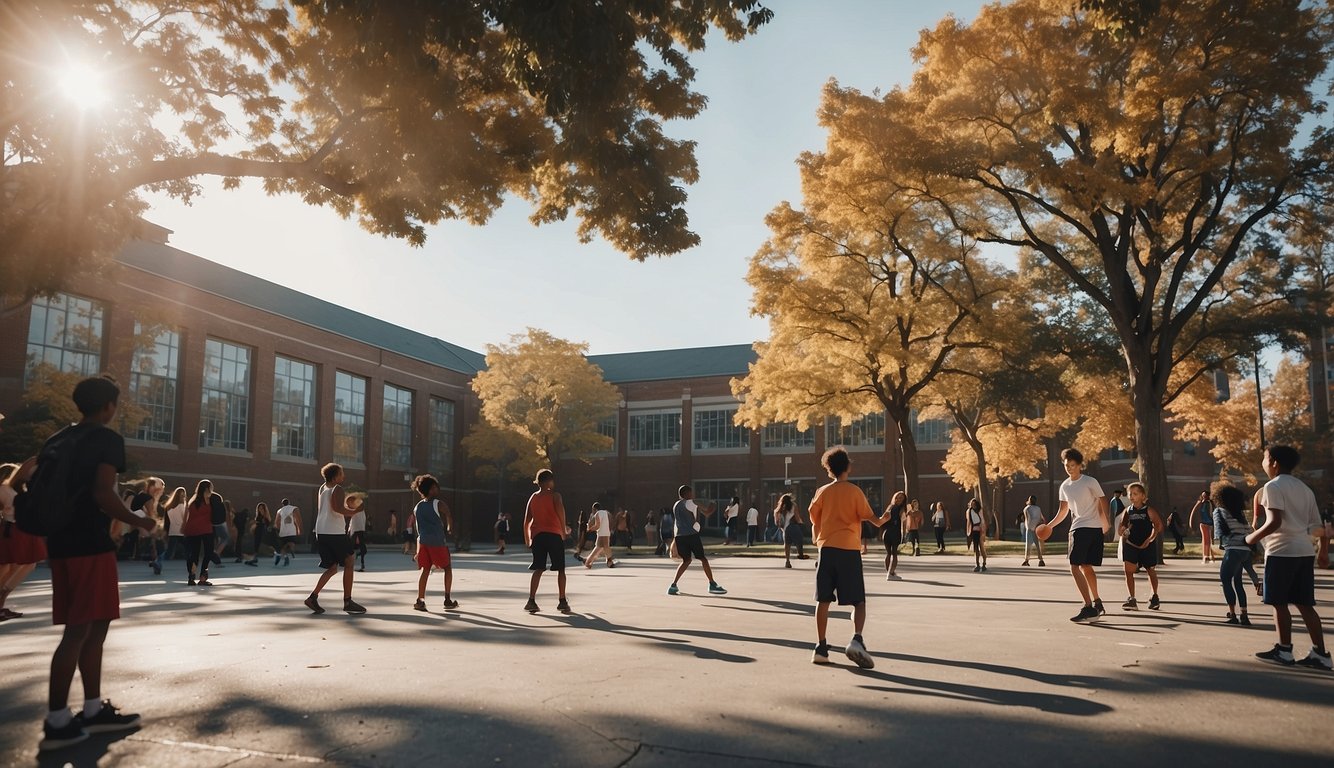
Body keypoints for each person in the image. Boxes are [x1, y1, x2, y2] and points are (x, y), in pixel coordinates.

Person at [22, 376, 157, 750]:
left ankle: (93, 710)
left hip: (61, 544)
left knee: (94, 626)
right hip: (89, 544)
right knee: (79, 631)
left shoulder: (58, 438)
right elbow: (102, 492)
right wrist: (141, 521)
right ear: (109, 406)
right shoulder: (104, 438)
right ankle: (57, 720)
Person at [1247, 445, 1330, 669]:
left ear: (1273, 462)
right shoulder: (1305, 489)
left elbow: (1274, 521)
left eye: (1264, 459)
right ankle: (1321, 654)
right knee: (1305, 604)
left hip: (1281, 551)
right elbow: (1317, 527)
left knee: (1279, 602)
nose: (1263, 463)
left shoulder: (1272, 487)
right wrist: (1322, 550)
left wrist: (1251, 538)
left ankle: (1284, 650)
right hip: (1304, 551)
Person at [809, 446, 893, 668]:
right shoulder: (855, 492)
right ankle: (857, 639)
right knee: (858, 600)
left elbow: (814, 519)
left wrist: (818, 541)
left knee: (823, 600)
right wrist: (885, 517)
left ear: (829, 469)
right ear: (847, 467)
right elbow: (874, 520)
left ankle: (821, 646)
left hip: (826, 550)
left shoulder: (823, 492)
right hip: (848, 550)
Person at [1047, 447, 1111, 623]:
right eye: (1067, 465)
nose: (1069, 468)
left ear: (1080, 465)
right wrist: (1049, 526)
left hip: (1091, 529)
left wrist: (1107, 522)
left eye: (1073, 465)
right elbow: (1063, 511)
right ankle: (1097, 603)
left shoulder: (1090, 481)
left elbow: (1103, 500)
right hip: (1078, 527)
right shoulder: (1065, 486)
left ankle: (1088, 607)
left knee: (1075, 567)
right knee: (1085, 567)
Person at [304, 463, 365, 615]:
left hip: (321, 531)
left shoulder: (322, 488)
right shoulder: (337, 489)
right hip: (334, 532)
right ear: (335, 476)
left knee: (332, 568)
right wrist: (355, 511)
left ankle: (313, 597)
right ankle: (348, 601)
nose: (343, 476)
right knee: (350, 559)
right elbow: (337, 508)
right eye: (341, 473)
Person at [0, 462, 48, 621]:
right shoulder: (5, 489)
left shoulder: (19, 489)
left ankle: (3, 598)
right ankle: (2, 597)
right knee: (12, 567)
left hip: (20, 527)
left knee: (17, 567)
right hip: (13, 528)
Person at [522, 469, 571, 614]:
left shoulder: (533, 497)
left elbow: (526, 521)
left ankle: (531, 600)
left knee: (539, 568)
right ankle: (562, 601)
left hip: (538, 536)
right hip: (554, 535)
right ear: (549, 481)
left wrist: (527, 540)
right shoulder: (555, 496)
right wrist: (563, 532)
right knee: (560, 568)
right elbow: (561, 514)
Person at [667, 485, 726, 596]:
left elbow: (676, 523)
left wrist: (674, 541)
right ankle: (712, 584)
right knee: (703, 559)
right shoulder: (691, 502)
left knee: (686, 561)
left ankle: (673, 586)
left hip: (680, 536)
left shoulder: (676, 505)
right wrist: (714, 504)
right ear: (688, 493)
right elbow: (708, 512)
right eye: (691, 492)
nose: (692, 494)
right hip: (691, 535)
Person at [411, 474, 457, 611]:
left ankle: (420, 600)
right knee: (447, 568)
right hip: (436, 541)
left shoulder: (417, 507)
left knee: (425, 570)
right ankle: (447, 599)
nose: (437, 489)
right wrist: (449, 527)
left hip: (423, 541)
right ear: (431, 489)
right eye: (435, 487)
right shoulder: (438, 503)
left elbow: (418, 527)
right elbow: (448, 514)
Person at [1212, 482, 1254, 626]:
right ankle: (1244, 615)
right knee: (1238, 583)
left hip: (1233, 550)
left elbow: (1219, 533)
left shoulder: (1219, 511)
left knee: (1225, 580)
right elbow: (1249, 531)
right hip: (1245, 551)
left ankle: (1233, 614)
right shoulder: (1240, 513)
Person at [1118, 482, 1163, 611]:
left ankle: (1154, 596)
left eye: (1135, 494)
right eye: (1130, 494)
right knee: (1128, 571)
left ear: (1143, 496)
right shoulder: (1127, 511)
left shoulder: (1148, 510)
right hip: (1131, 545)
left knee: (1150, 570)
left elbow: (1158, 526)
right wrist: (1122, 530)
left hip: (1146, 545)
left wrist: (1150, 539)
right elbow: (1121, 528)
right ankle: (1132, 598)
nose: (1132, 496)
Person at [182, 480, 216, 586]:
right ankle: (203, 578)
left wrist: (183, 528)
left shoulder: (192, 501)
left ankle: (191, 577)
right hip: (206, 529)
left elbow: (185, 516)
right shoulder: (209, 500)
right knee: (208, 553)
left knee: (194, 554)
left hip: (191, 529)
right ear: (207, 489)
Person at [778, 493, 808, 568]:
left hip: (785, 529)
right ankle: (800, 554)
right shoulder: (793, 505)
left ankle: (787, 561)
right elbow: (797, 518)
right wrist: (802, 523)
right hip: (792, 526)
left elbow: (778, 520)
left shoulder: (780, 507)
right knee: (799, 540)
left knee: (787, 545)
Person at [584, 502, 617, 569]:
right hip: (607, 533)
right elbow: (610, 521)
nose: (592, 511)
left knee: (599, 548)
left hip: (601, 534)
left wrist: (590, 529)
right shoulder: (605, 513)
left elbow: (597, 526)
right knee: (603, 548)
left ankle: (588, 562)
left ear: (595, 509)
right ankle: (609, 562)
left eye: (592, 509)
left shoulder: (597, 514)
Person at [160, 486, 188, 564]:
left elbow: (167, 521)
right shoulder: (181, 506)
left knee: (170, 550)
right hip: (181, 531)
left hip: (172, 531)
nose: (184, 497)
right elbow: (186, 519)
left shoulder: (169, 507)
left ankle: (159, 560)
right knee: (188, 547)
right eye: (182, 496)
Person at [882, 492, 905, 580]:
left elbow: (884, 518)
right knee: (893, 553)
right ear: (895, 498)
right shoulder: (901, 509)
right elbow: (903, 521)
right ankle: (890, 573)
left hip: (889, 532)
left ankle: (890, 573)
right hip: (892, 532)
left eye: (901, 498)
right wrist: (903, 533)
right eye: (898, 497)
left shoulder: (890, 507)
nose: (899, 499)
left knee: (890, 553)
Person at [1189, 490, 1216, 563]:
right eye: (1202, 496)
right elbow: (1194, 513)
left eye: (1205, 496)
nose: (1203, 497)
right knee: (1205, 539)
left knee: (1208, 540)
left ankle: (1208, 556)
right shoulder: (1200, 504)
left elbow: (1213, 512)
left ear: (1208, 496)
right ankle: (1206, 556)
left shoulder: (1210, 504)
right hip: (1203, 523)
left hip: (1209, 523)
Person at [274, 499, 301, 566]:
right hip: (292, 531)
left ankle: (284, 556)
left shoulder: (279, 511)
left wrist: (277, 530)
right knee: (291, 544)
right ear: (289, 503)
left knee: (282, 547)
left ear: (282, 504)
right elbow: (297, 519)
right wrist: (298, 529)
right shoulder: (294, 508)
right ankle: (287, 551)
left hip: (283, 532)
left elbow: (277, 522)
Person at [1021, 495, 1046, 567]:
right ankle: (1041, 560)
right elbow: (1042, 518)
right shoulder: (1038, 508)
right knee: (1038, 545)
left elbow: (1027, 519)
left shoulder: (1026, 508)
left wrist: (1027, 527)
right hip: (1037, 528)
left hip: (1030, 528)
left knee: (1028, 545)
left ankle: (1026, 560)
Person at [244, 502, 270, 566]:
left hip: (261, 530)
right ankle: (254, 558)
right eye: (259, 508)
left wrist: (257, 522)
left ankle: (277, 552)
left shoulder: (265, 515)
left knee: (262, 543)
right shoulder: (258, 515)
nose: (260, 509)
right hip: (257, 531)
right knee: (256, 544)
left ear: (264, 509)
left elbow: (266, 523)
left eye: (261, 508)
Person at [965, 498, 987, 573]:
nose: (973, 506)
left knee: (982, 548)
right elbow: (968, 522)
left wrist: (983, 531)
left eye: (974, 504)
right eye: (972, 504)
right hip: (973, 531)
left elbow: (982, 520)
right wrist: (968, 532)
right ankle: (977, 564)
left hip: (980, 531)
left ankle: (984, 563)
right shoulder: (969, 512)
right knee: (976, 548)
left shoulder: (980, 511)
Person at [209, 488, 229, 566]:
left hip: (211, 524)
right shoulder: (221, 505)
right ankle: (217, 553)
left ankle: (215, 552)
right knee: (225, 538)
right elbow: (224, 515)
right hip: (219, 524)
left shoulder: (209, 505)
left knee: (214, 540)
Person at [348, 495, 368, 572]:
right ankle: (360, 563)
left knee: (353, 547)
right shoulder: (360, 510)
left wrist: (350, 530)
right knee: (360, 546)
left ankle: (357, 563)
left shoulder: (357, 510)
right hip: (358, 529)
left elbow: (354, 522)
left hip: (356, 530)